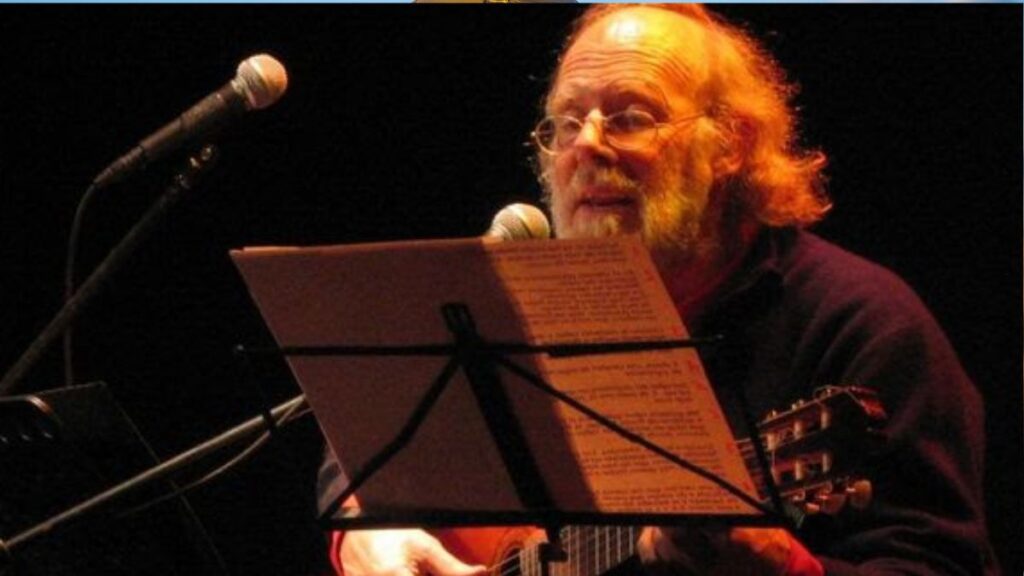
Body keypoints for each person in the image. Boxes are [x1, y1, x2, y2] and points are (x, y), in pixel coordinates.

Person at [319, 5, 998, 575]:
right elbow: (372, 426)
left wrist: (784, 568)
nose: (586, 146)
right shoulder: (523, 301)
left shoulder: (864, 324)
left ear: (731, 143)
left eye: (630, 117)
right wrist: (368, 532)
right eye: (566, 122)